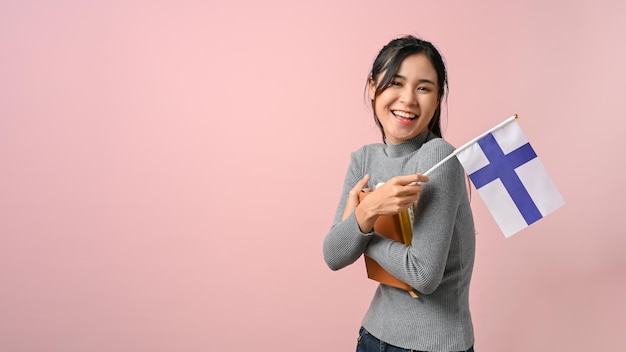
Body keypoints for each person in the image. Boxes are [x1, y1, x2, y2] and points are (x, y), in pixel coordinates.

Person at [323, 35, 476, 352]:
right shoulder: (364, 159)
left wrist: (362, 226)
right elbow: (334, 255)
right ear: (372, 87)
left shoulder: (438, 157)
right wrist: (367, 213)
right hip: (372, 336)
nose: (408, 99)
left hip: (432, 346)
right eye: (395, 82)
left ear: (437, 100)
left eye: (424, 88)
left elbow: (423, 275)